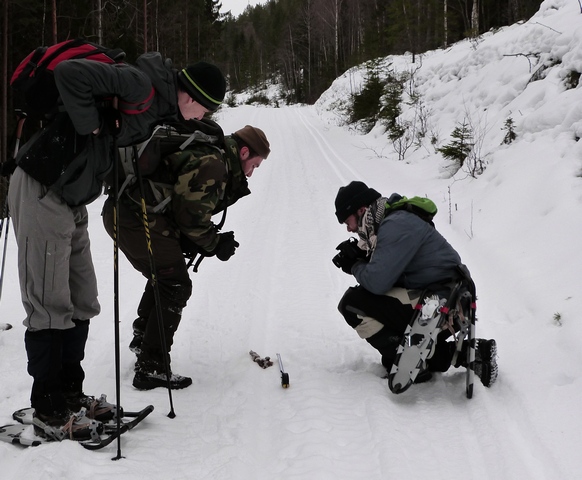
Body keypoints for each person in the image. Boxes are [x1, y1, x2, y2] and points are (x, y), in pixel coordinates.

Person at [7, 51, 227, 440]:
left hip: (70, 197)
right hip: (42, 187)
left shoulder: (158, 108)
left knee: (83, 299)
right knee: (49, 304)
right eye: (206, 109)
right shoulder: (142, 84)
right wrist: (93, 128)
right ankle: (48, 407)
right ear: (191, 96)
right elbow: (72, 74)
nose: (204, 117)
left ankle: (71, 394)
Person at [102, 124, 271, 390]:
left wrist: (207, 241)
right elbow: (190, 219)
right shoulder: (214, 164)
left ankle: (143, 339)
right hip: (134, 218)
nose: (251, 172)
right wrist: (215, 244)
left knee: (166, 274)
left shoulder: (214, 157)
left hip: (128, 213)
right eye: (254, 165)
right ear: (244, 152)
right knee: (176, 284)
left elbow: (185, 208)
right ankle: (151, 366)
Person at [332, 181, 498, 388]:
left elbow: (377, 282)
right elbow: (393, 271)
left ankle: (417, 362)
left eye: (347, 221)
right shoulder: (393, 222)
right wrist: (363, 259)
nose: (349, 229)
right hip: (447, 299)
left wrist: (355, 265)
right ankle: (465, 353)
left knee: (352, 303)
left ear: (361, 210)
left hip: (442, 305)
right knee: (388, 341)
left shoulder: (395, 225)